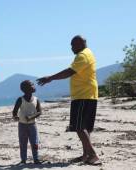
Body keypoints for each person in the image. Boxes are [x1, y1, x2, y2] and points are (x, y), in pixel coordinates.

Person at [37, 35, 101, 165]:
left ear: (80, 43)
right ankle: (85, 155)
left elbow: (69, 72)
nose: (71, 48)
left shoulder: (82, 55)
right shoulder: (88, 53)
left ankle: (93, 155)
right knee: (85, 127)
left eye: (73, 45)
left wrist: (50, 78)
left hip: (83, 95)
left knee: (79, 127)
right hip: (89, 94)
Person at [12, 80, 42, 165]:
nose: (33, 86)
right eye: (31, 85)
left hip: (33, 125)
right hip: (22, 125)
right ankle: (23, 159)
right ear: (25, 89)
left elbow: (39, 112)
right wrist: (15, 116)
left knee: (35, 142)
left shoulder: (36, 99)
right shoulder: (20, 99)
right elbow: (14, 111)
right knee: (23, 142)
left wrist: (31, 117)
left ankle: (36, 159)